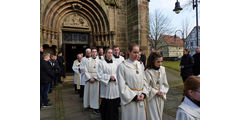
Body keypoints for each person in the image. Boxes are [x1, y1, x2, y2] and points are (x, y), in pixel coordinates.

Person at [117, 44, 149, 120]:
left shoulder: (140, 65)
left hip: (141, 97)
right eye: (134, 52)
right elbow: (122, 85)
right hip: (130, 100)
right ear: (129, 52)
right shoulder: (122, 66)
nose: (137, 55)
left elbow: (145, 80)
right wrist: (134, 97)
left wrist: (144, 93)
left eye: (138, 52)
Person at [145, 52, 169, 120]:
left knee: (159, 115)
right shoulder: (148, 71)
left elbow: (165, 83)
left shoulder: (162, 69)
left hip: (160, 96)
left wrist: (162, 91)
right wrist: (155, 91)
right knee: (153, 116)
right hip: (152, 97)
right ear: (153, 61)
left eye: (161, 61)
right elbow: (146, 85)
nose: (160, 64)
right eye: (158, 62)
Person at [98, 48, 120, 120]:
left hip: (114, 88)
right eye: (108, 53)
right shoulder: (101, 63)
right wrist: (108, 77)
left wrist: (115, 77)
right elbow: (99, 75)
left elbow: (118, 74)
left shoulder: (115, 63)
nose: (110, 54)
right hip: (106, 87)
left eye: (111, 53)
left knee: (114, 106)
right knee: (106, 106)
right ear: (105, 54)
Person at [83, 48, 101, 114]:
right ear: (91, 53)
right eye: (92, 52)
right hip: (89, 80)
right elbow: (85, 70)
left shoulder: (100, 61)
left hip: (96, 80)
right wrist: (89, 78)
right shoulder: (87, 60)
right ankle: (89, 105)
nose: (93, 53)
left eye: (95, 52)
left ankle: (95, 107)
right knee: (88, 93)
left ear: (97, 53)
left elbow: (101, 71)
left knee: (95, 95)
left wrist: (95, 78)